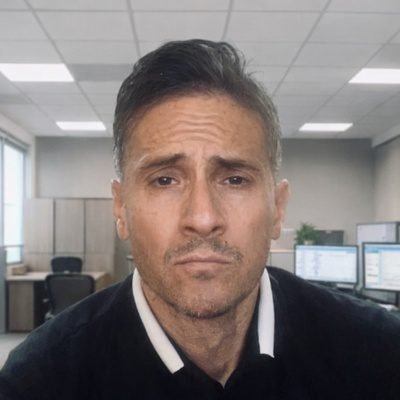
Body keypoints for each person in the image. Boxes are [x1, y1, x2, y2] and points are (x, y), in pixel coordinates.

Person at [0, 39, 399, 400]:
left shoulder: (380, 355)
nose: (204, 218)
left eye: (235, 179)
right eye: (164, 180)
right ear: (121, 209)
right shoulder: (37, 381)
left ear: (278, 209)